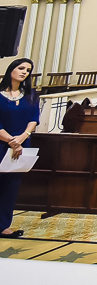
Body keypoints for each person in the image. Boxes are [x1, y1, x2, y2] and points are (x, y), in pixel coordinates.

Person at [0, 58, 38, 238]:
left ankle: (3, 226)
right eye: (21, 68)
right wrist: (10, 140)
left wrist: (22, 137)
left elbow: (33, 118)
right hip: (2, 142)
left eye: (28, 70)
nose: (25, 72)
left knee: (11, 186)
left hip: (21, 145)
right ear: (11, 70)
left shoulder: (31, 95)